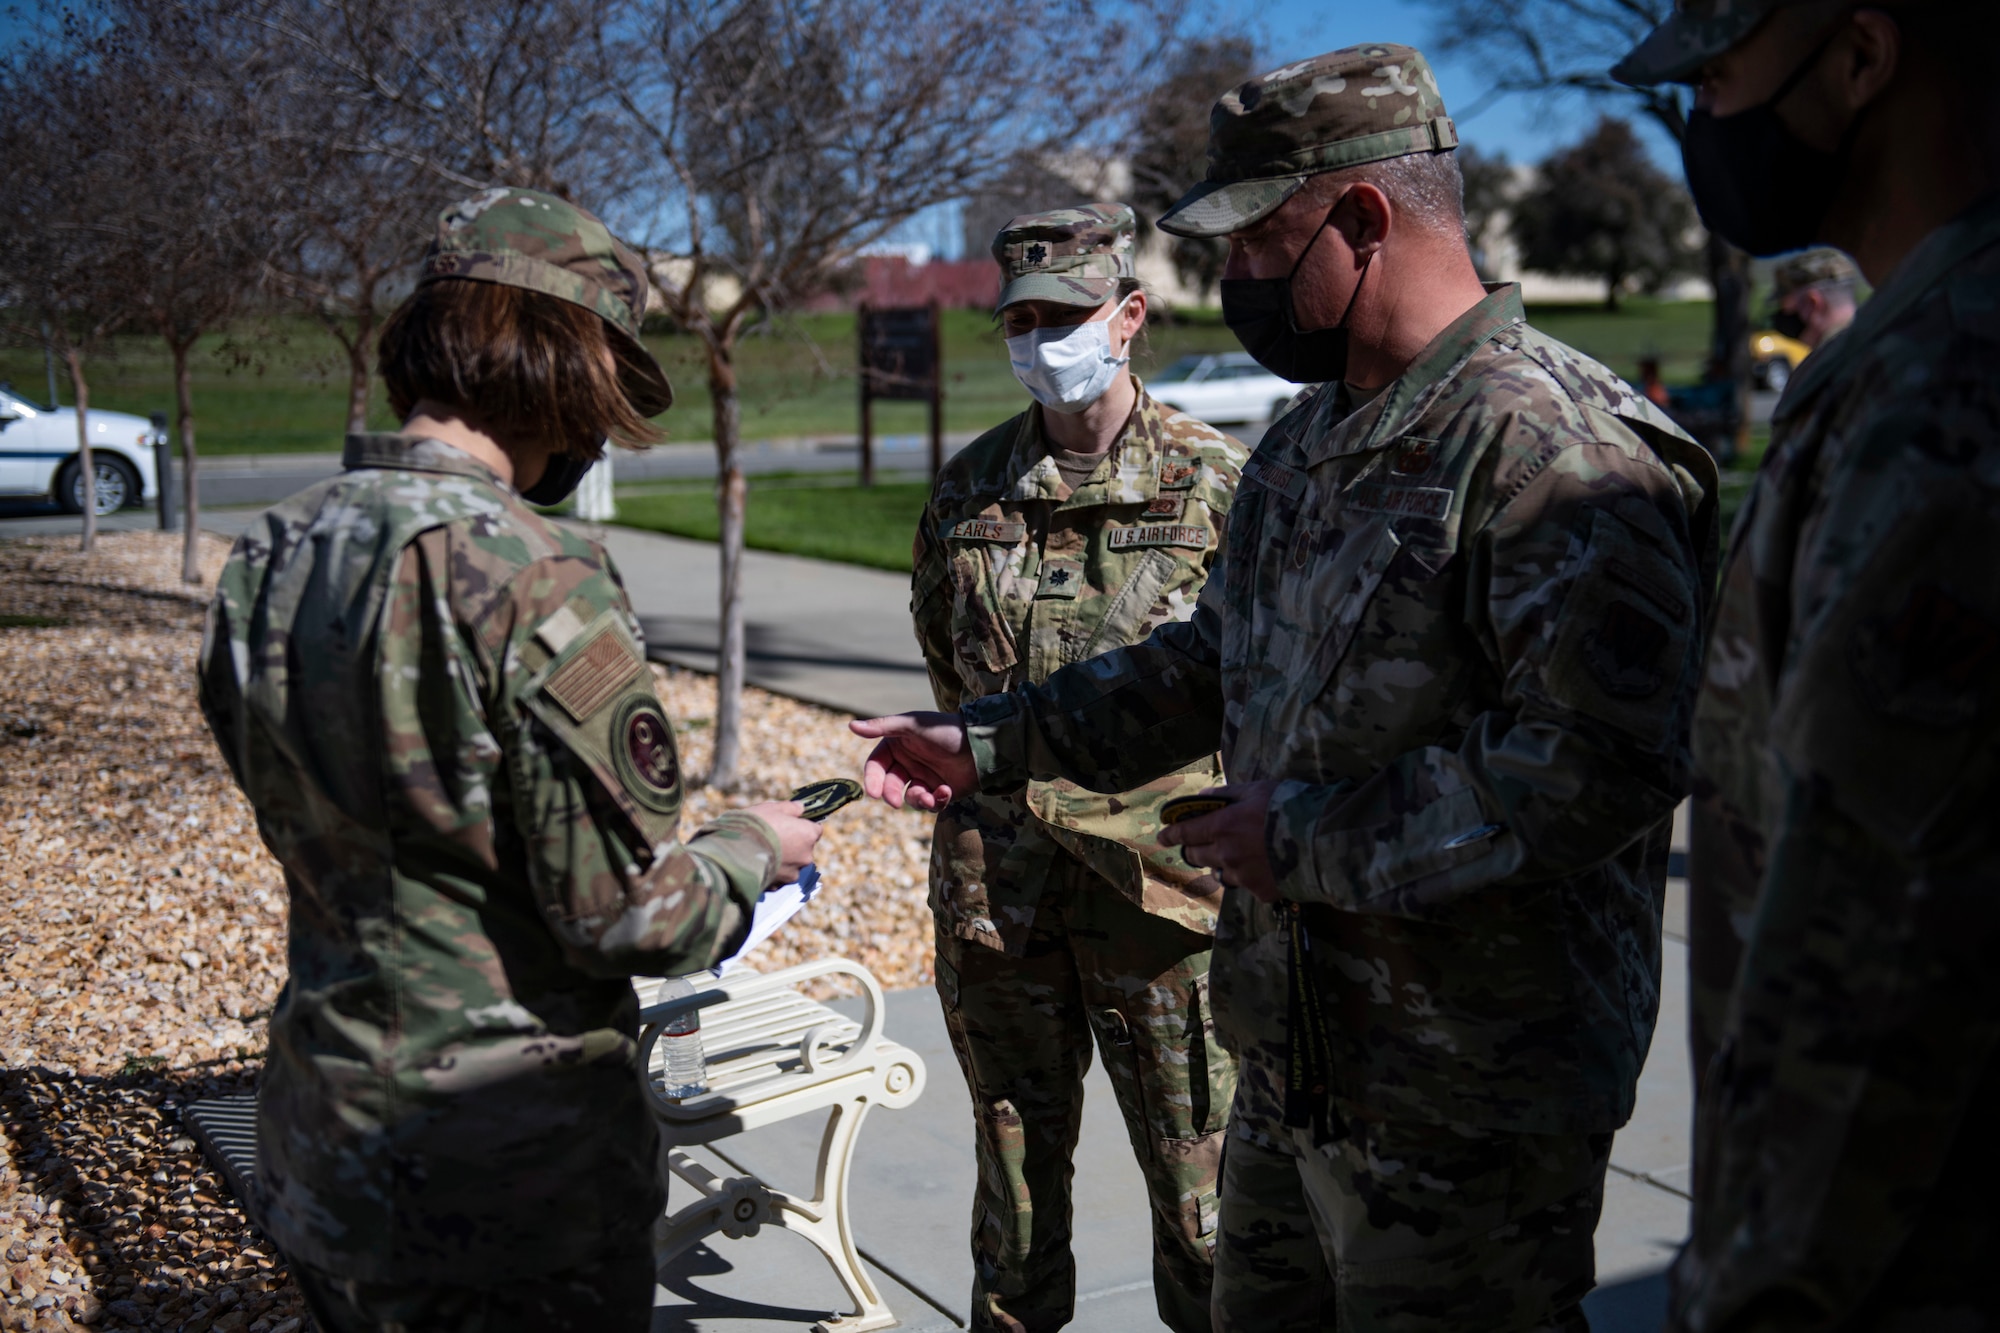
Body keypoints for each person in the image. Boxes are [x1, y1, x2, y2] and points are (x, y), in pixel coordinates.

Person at [854, 43, 1718, 1332]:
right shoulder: (1310, 442)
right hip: (1288, 1056)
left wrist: (1301, 838)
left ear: (1362, 219)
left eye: (1257, 240)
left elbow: (1599, 762)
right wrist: (991, 739)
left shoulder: (1553, 449)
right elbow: (1210, 658)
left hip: (1465, 1099)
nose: (1231, 276)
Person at [197, 187, 822, 1332]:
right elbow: (629, 918)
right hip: (502, 1177)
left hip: (325, 1137)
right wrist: (751, 846)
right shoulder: (536, 574)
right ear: (563, 363)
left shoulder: (272, 552)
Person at [1615, 1, 2000, 1327]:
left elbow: (1877, 934)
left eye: (1718, 75)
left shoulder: (1946, 382)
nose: (1702, 119)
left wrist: (1754, 1281)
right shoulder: (1911, 345)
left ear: (1862, 53)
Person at [913, 203, 1247, 1333]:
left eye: (1063, 315)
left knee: (1205, 1204)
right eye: (1019, 318)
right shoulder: (967, 493)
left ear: (1128, 316)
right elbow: (948, 667)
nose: (1039, 338)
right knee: (1011, 1201)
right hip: (1000, 899)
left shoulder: (1216, 484)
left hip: (1163, 899)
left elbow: (1259, 687)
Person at [1768, 246, 1860, 350]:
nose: (1784, 317)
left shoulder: (1831, 357)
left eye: (1788, 309)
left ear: (1812, 302)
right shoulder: (1873, 334)